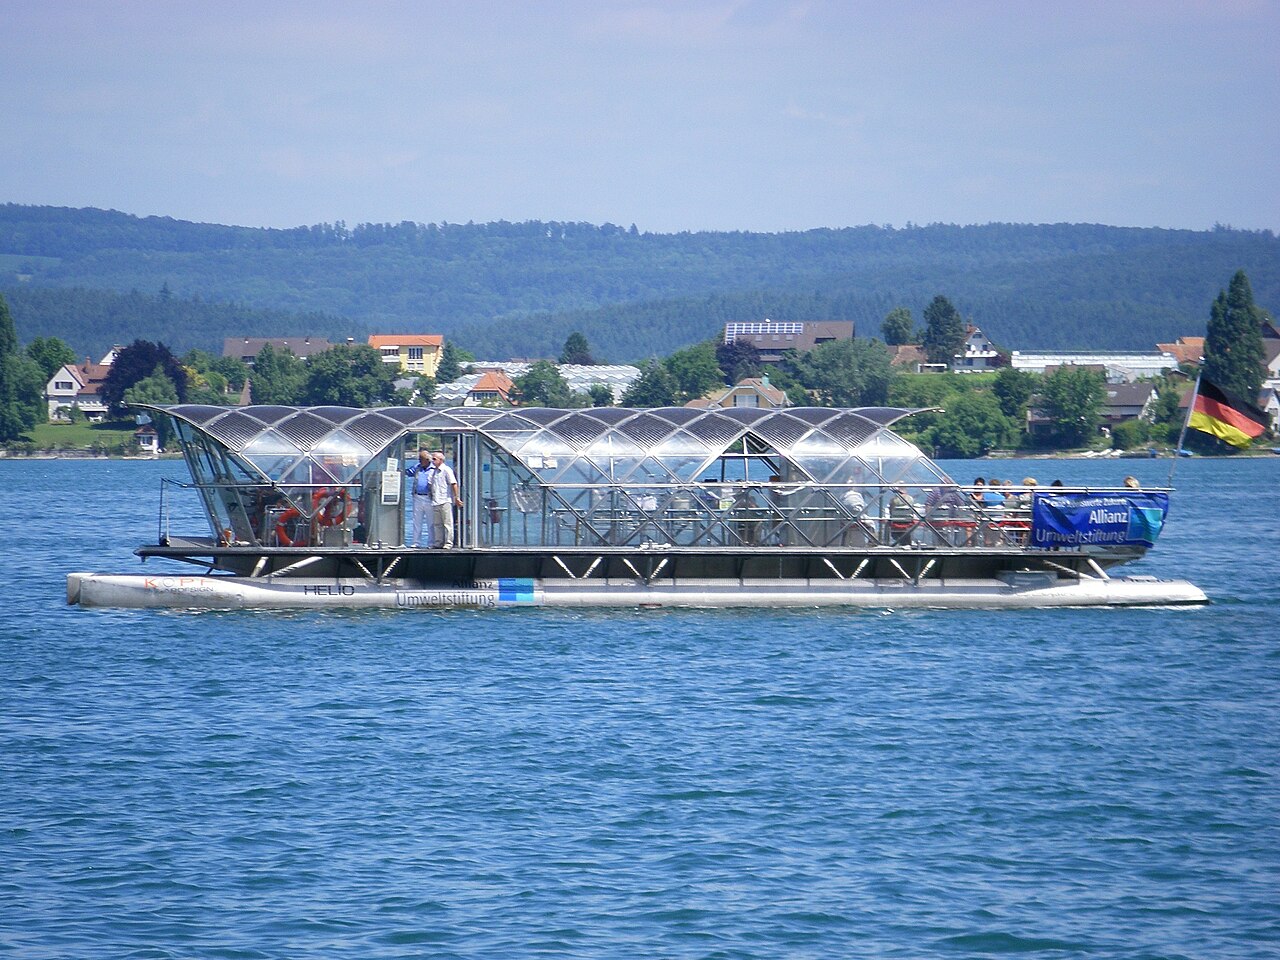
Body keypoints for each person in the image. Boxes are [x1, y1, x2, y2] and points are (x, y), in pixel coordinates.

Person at [427, 450, 464, 548]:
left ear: (441, 460)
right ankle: (438, 542)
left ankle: (448, 543)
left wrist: (456, 497)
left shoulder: (447, 470)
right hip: (436, 501)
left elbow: (454, 483)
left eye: (434, 459)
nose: (432, 461)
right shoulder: (433, 471)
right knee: (437, 524)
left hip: (445, 500)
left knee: (447, 523)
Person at [404, 449, 436, 547]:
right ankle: (416, 542)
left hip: (429, 497)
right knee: (416, 521)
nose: (419, 461)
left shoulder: (434, 469)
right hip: (417, 497)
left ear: (427, 460)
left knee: (431, 522)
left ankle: (431, 542)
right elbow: (408, 472)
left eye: (421, 459)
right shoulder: (417, 467)